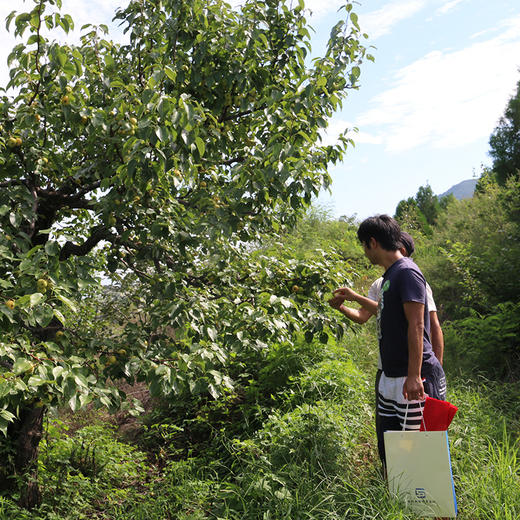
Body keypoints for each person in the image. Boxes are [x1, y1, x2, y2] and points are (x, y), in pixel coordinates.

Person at [329, 230, 445, 464]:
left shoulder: (411, 277)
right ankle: (393, 489)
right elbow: (370, 314)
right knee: (391, 439)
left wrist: (430, 373)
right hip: (388, 372)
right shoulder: (382, 284)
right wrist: (342, 306)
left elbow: (427, 325)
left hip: (414, 372)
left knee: (420, 446)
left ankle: (420, 492)